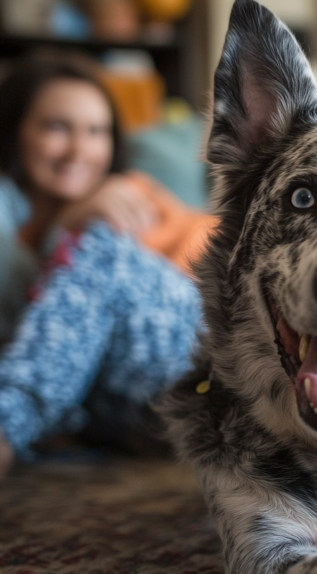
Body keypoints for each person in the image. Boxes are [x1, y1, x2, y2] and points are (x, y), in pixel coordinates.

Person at [0, 54, 214, 479]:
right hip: (135, 412)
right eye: (57, 127)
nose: (80, 150)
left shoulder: (125, 194)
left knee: (101, 246)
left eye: (97, 132)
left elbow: (221, 265)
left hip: (208, 347)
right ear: (15, 131)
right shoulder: (15, 234)